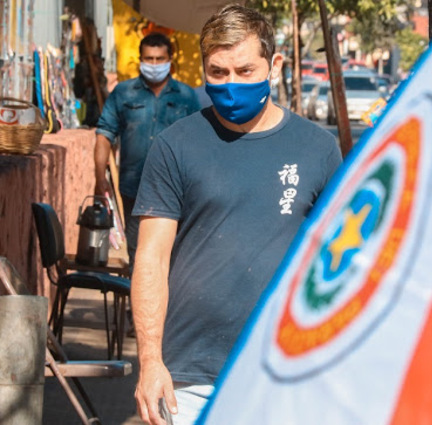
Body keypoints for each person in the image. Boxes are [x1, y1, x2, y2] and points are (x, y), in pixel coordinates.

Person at [131, 5, 342, 425]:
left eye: (245, 72)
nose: (230, 85)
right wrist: (150, 360)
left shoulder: (318, 149)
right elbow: (150, 259)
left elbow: (335, 261)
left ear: (274, 64)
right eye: (218, 72)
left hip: (284, 373)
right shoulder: (176, 146)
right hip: (190, 378)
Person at [94, 32, 200, 270]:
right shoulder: (123, 93)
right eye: (149, 59)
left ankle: (167, 307)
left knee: (172, 257)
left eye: (159, 59)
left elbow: (200, 142)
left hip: (177, 190)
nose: (154, 64)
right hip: (134, 190)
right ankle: (137, 307)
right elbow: (104, 135)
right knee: (138, 255)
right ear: (140, 59)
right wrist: (100, 178)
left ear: (170, 59)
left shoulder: (186, 96)